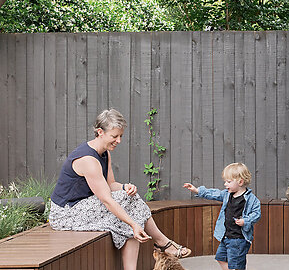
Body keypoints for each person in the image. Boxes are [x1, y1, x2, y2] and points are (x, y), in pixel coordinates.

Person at [49, 108, 191, 270]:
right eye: (114, 136)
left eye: (121, 136)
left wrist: (125, 187)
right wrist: (133, 224)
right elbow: (107, 199)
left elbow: (110, 185)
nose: (118, 140)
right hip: (66, 213)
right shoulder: (88, 159)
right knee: (130, 218)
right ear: (100, 132)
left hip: (86, 205)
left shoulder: (104, 154)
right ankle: (164, 243)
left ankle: (158, 247)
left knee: (130, 201)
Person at [183, 163, 261, 270]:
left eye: (228, 182)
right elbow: (214, 193)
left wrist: (245, 221)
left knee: (236, 265)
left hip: (238, 239)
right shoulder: (227, 194)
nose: (225, 184)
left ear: (240, 182)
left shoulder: (251, 199)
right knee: (221, 258)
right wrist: (197, 190)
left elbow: (256, 214)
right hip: (226, 237)